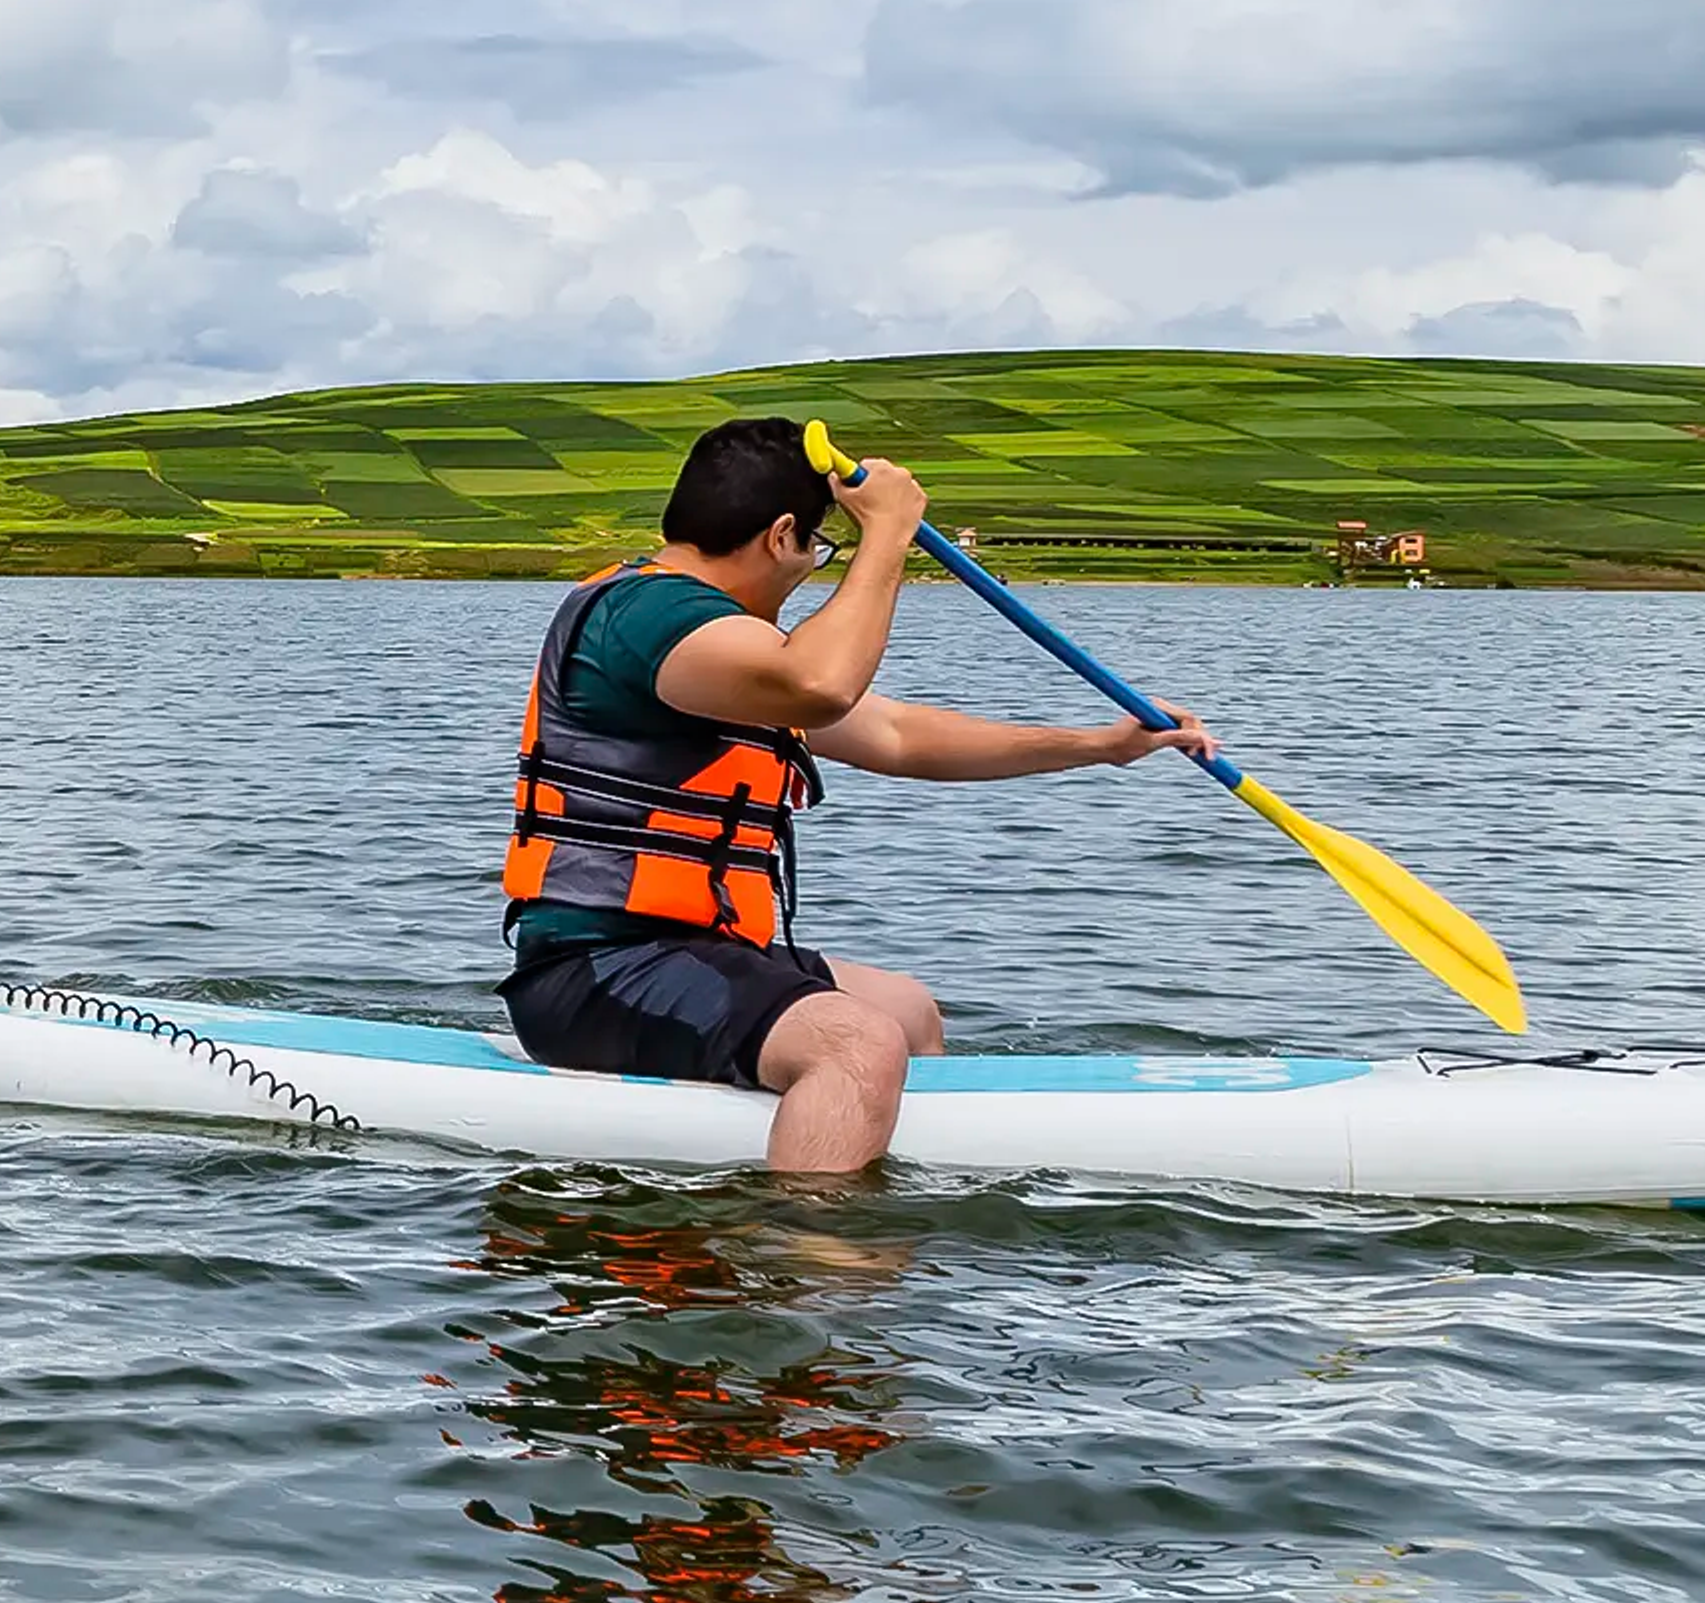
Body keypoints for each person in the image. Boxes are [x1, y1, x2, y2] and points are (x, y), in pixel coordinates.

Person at [502, 414, 1213, 1174]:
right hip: (597, 972)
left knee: (904, 1010)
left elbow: (899, 736)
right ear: (781, 537)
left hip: (690, 953)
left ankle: (884, 1151)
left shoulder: (721, 649)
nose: (813, 563)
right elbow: (824, 683)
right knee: (859, 1041)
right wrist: (886, 536)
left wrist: (1100, 747)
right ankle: (813, 1263)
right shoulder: (648, 620)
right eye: (818, 545)